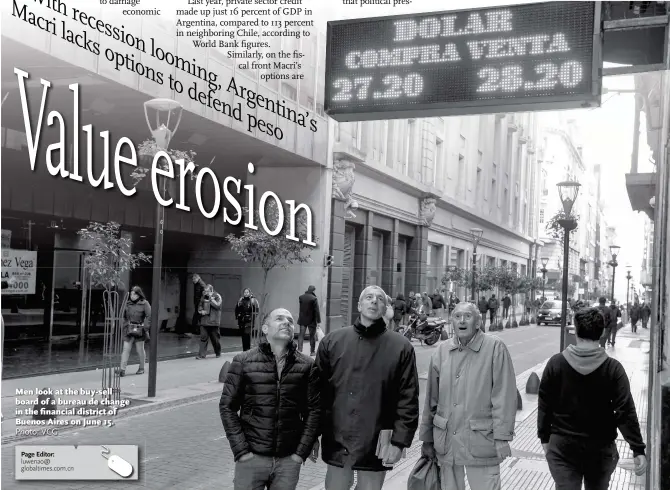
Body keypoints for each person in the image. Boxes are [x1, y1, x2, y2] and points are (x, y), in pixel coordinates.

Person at [315, 285, 419, 490]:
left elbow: (408, 397)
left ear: (386, 308)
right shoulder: (332, 342)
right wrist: (311, 436)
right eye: (369, 297)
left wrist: (399, 442)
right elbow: (318, 394)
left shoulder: (401, 346)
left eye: (380, 299)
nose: (374, 301)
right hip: (338, 438)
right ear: (359, 305)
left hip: (377, 440)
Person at [538, 307, 648, 489]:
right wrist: (637, 448)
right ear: (603, 332)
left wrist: (544, 438)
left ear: (575, 330)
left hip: (562, 447)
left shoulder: (556, 363)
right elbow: (625, 411)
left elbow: (544, 404)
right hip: (601, 449)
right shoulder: (613, 369)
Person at [220, 308, 321, 490]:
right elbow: (227, 407)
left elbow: (314, 411)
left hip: (288, 461)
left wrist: (300, 453)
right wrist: (241, 451)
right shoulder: (243, 361)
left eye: (290, 321)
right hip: (252, 457)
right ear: (265, 328)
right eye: (279, 318)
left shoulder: (307, 366)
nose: (287, 323)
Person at [420, 302, 516, 490]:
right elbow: (431, 399)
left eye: (468, 316)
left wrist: (502, 437)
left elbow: (504, 396)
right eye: (457, 316)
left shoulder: (495, 348)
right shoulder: (441, 350)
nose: (462, 321)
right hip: (447, 441)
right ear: (451, 322)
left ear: (478, 322)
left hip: (481, 440)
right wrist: (427, 438)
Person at [117, 286, 151, 377]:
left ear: (139, 294)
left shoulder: (145, 303)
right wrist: (124, 325)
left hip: (140, 329)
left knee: (140, 349)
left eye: (135, 294)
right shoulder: (128, 304)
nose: (132, 296)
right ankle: (122, 369)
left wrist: (145, 327)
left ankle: (141, 367)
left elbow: (149, 316)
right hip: (128, 328)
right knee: (126, 349)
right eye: (131, 294)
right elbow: (123, 315)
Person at [196, 284, 222, 359]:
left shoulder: (217, 296)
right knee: (203, 338)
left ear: (211, 290)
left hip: (213, 321)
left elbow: (218, 306)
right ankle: (201, 355)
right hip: (204, 321)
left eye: (207, 291)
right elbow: (200, 305)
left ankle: (218, 352)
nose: (206, 293)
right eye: (205, 291)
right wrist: (201, 311)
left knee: (215, 339)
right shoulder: (203, 296)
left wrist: (211, 299)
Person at [298, 285, 321, 356]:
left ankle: (299, 350)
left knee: (301, 335)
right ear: (313, 290)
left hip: (302, 319)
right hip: (311, 320)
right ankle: (312, 352)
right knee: (312, 336)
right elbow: (317, 311)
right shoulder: (314, 298)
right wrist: (318, 321)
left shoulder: (301, 297)